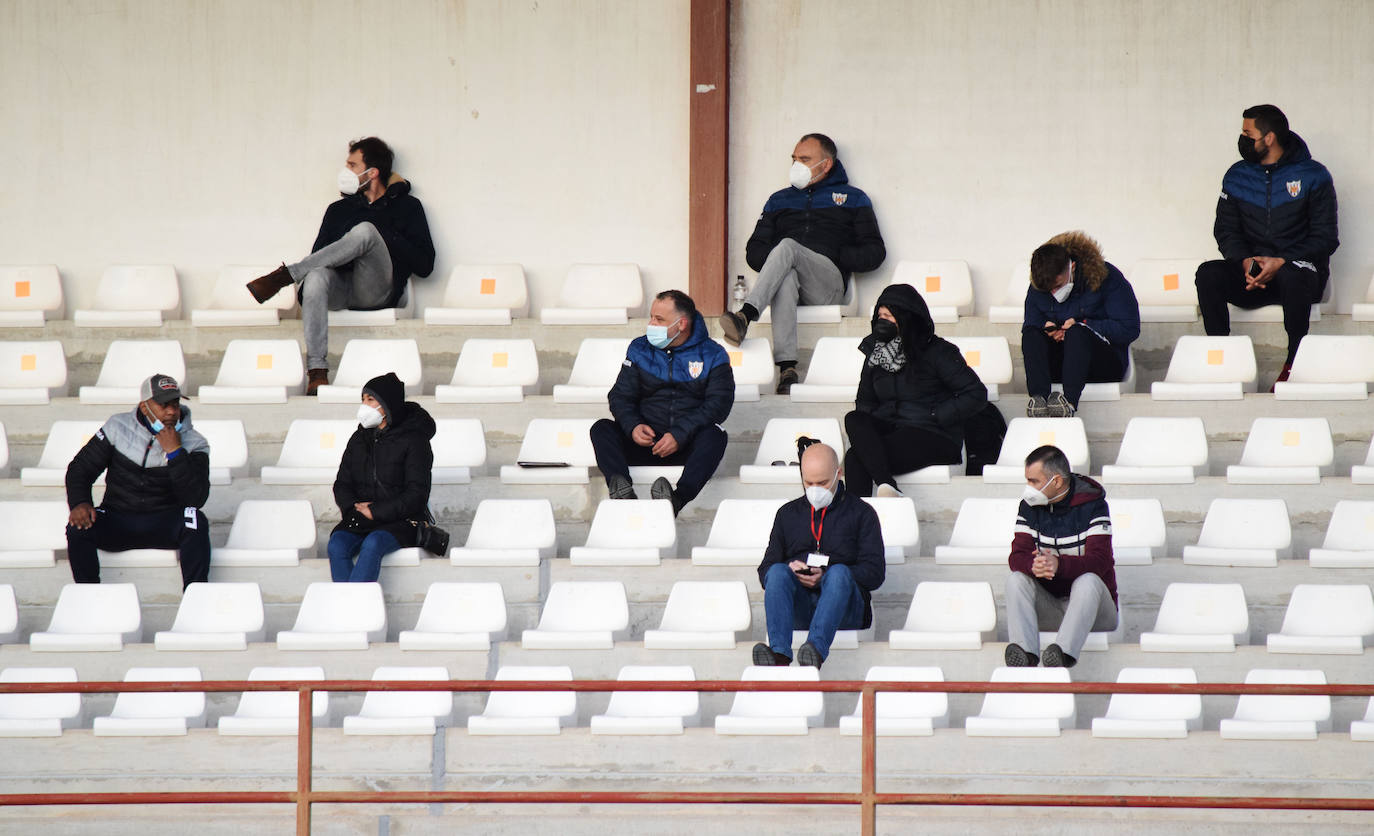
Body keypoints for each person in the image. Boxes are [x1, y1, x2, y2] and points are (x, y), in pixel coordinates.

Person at [246, 137, 436, 395]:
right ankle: (317, 371)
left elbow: (425, 265)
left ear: (373, 172)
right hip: (341, 288)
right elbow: (319, 257)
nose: (346, 172)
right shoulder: (339, 210)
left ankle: (285, 276)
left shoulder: (406, 207)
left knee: (367, 231)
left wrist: (382, 232)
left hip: (377, 290)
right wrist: (348, 243)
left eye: (352, 165)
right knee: (314, 277)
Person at [720, 133, 886, 394]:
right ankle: (787, 369)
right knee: (785, 272)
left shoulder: (853, 198)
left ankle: (746, 315)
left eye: (805, 159)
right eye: (794, 158)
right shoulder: (778, 200)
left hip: (828, 285)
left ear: (826, 164)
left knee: (787, 246)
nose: (797, 164)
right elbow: (754, 251)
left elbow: (875, 252)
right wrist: (781, 262)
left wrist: (839, 253)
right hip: (792, 284)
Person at [1195, 104, 1339, 384]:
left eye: (1248, 134)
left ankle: (1294, 364)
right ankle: (1221, 357)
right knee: (1208, 274)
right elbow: (1225, 229)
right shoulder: (1237, 175)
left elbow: (1326, 237)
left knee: (1292, 274)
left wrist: (1282, 260)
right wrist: (1245, 261)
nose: (1243, 139)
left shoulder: (1314, 175)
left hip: (1299, 275)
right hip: (1253, 277)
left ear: (1269, 138)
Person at [590, 290, 733, 515]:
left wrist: (679, 435)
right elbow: (619, 396)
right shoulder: (639, 348)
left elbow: (719, 404)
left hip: (686, 446)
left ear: (682, 324)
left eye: (659, 319)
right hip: (644, 443)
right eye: (651, 317)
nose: (651, 324)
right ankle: (622, 491)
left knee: (716, 436)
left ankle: (675, 500)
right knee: (601, 428)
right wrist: (633, 426)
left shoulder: (714, 354)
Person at [65, 374, 211, 590]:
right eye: (163, 405)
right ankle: (90, 597)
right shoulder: (117, 427)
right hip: (118, 518)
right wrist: (80, 502)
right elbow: (79, 469)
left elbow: (196, 498)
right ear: (145, 407)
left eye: (175, 404)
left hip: (164, 522)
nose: (171, 411)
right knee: (77, 526)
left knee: (195, 520)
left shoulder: (195, 442)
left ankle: (196, 599)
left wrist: (175, 453)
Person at [844, 283, 988, 497]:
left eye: (890, 316)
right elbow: (865, 402)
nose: (883, 321)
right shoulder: (875, 353)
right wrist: (873, 430)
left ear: (907, 319)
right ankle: (884, 488)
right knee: (854, 419)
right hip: (895, 428)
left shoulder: (939, 351)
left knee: (856, 457)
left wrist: (936, 414)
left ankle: (863, 514)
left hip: (934, 433)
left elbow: (976, 394)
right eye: (880, 315)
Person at [754, 441, 885, 669]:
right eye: (808, 482)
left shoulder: (862, 513)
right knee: (776, 572)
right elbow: (764, 570)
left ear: (838, 473)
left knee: (839, 573)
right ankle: (779, 654)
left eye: (823, 483)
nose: (815, 489)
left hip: (844, 607)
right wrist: (790, 567)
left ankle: (814, 651)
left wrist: (827, 575)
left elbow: (875, 573)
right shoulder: (787, 514)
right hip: (801, 606)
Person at [1004, 445, 1118, 668]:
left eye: (1034, 481)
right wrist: (1033, 565)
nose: (1028, 488)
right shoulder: (1028, 507)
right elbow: (1017, 556)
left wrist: (1059, 564)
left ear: (1056, 481)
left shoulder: (1093, 505)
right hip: (1052, 607)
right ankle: (1025, 654)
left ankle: (1062, 655)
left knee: (1088, 580)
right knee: (1017, 579)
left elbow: (1100, 560)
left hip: (1095, 612)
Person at [328, 372, 436, 582]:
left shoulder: (415, 440)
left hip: (401, 521)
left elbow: (417, 494)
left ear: (387, 405)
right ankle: (352, 607)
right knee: (337, 544)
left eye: (370, 400)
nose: (364, 406)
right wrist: (355, 508)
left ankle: (350, 608)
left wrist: (375, 511)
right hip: (361, 517)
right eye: (363, 400)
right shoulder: (358, 438)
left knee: (374, 542)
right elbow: (342, 483)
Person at [1021, 231, 1140, 418]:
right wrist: (1047, 328)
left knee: (1078, 333)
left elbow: (1129, 329)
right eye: (1048, 289)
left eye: (1058, 286)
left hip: (1102, 363)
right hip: (1060, 361)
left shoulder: (1107, 277)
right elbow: (1031, 321)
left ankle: (1068, 403)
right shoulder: (1038, 284)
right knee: (1031, 334)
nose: (1053, 292)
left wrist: (1085, 325)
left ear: (1072, 267)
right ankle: (1039, 400)